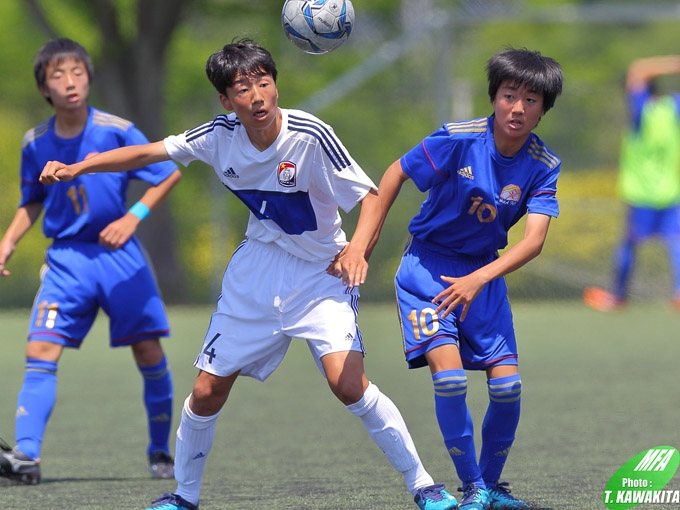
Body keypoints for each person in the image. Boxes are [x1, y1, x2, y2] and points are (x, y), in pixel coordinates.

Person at [39, 39, 458, 510]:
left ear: (275, 84)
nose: (257, 96)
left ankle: (424, 485)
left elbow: (372, 196)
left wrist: (358, 249)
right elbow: (146, 154)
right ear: (226, 100)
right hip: (257, 269)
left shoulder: (310, 134)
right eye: (243, 88)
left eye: (264, 82)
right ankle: (184, 496)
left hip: (320, 272)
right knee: (206, 389)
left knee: (347, 384)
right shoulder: (218, 135)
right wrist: (79, 167)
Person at [369, 48, 564, 510]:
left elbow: (533, 240)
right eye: (509, 95)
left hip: (484, 274)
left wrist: (479, 278)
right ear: (494, 96)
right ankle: (472, 487)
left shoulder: (544, 164)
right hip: (427, 272)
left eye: (531, 100)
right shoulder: (457, 139)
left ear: (544, 109)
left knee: (507, 387)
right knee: (451, 380)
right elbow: (397, 171)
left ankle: (492, 488)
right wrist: (365, 240)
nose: (517, 108)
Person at [0, 38, 181, 485]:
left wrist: (133, 217)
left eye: (77, 72)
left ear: (89, 77)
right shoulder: (35, 143)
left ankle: (161, 452)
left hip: (119, 257)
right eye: (58, 75)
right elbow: (31, 201)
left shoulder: (116, 130)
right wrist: (7, 241)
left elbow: (169, 171)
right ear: (44, 88)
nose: (70, 82)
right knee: (40, 350)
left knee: (148, 350)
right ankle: (25, 457)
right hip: (66, 261)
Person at [583, 56, 680, 312]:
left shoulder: (641, 110)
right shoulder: (673, 108)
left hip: (643, 192)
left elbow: (639, 69)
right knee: (676, 241)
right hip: (671, 190)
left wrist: (675, 63)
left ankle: (617, 295)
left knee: (629, 242)